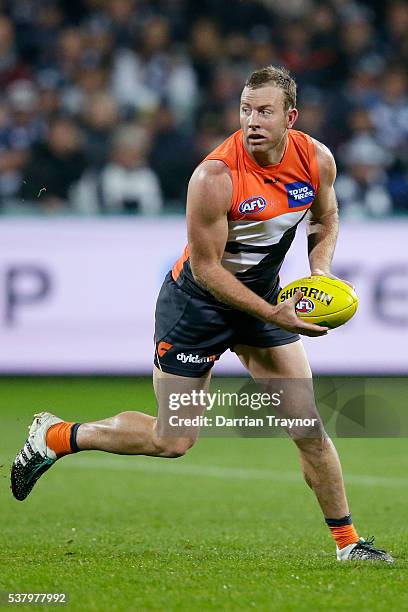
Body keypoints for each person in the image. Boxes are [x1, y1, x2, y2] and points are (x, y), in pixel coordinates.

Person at [11, 65, 393, 563]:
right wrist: (275, 315)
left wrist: (320, 272)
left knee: (307, 425)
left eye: (264, 111)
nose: (251, 120)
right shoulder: (215, 176)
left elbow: (326, 217)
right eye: (245, 109)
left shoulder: (316, 159)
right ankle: (56, 436)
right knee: (173, 441)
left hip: (262, 303)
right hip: (196, 306)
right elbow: (208, 270)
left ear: (290, 117)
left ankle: (349, 544)